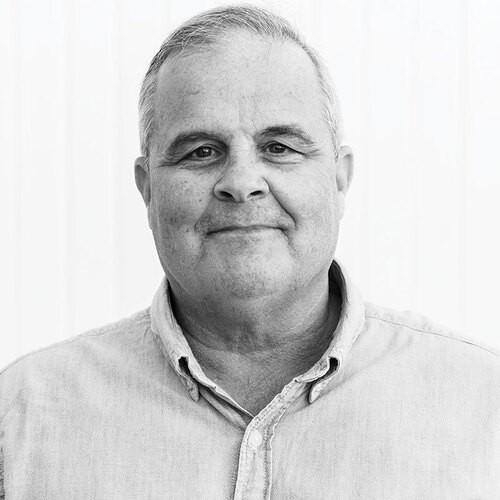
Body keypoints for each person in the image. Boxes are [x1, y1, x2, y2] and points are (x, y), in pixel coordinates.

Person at [1, 5, 499, 499]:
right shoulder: (21, 415)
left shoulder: (484, 403)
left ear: (340, 178)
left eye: (279, 147)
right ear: (147, 188)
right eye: (201, 151)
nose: (241, 183)